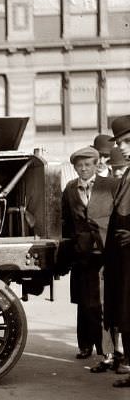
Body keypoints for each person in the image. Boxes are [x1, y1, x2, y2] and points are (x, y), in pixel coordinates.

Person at [61, 146, 118, 361]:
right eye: (79, 166)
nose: (83, 169)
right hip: (83, 255)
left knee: (105, 303)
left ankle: (110, 352)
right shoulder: (69, 189)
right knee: (87, 304)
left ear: (96, 165)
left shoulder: (110, 185)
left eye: (87, 165)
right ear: (74, 168)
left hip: (106, 252)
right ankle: (94, 348)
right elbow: (66, 221)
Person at [104, 115, 130, 386]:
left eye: (127, 141)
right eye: (121, 142)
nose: (122, 148)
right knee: (124, 311)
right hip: (122, 255)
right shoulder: (127, 173)